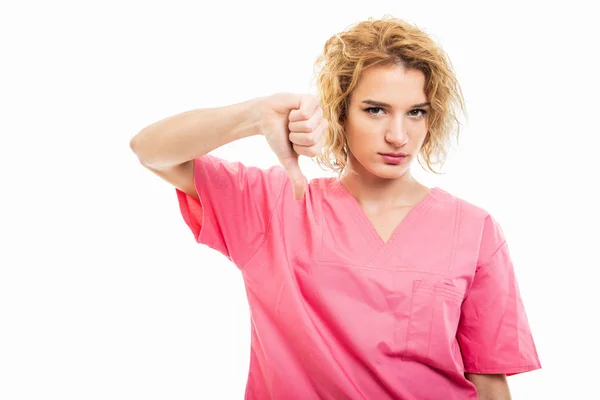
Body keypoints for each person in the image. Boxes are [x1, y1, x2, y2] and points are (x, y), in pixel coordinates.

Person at [130, 15, 541, 400]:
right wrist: (254, 116)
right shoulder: (276, 205)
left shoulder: (473, 229)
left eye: (416, 113)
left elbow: (488, 382)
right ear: (340, 111)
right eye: (375, 110)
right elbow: (151, 151)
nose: (398, 135)